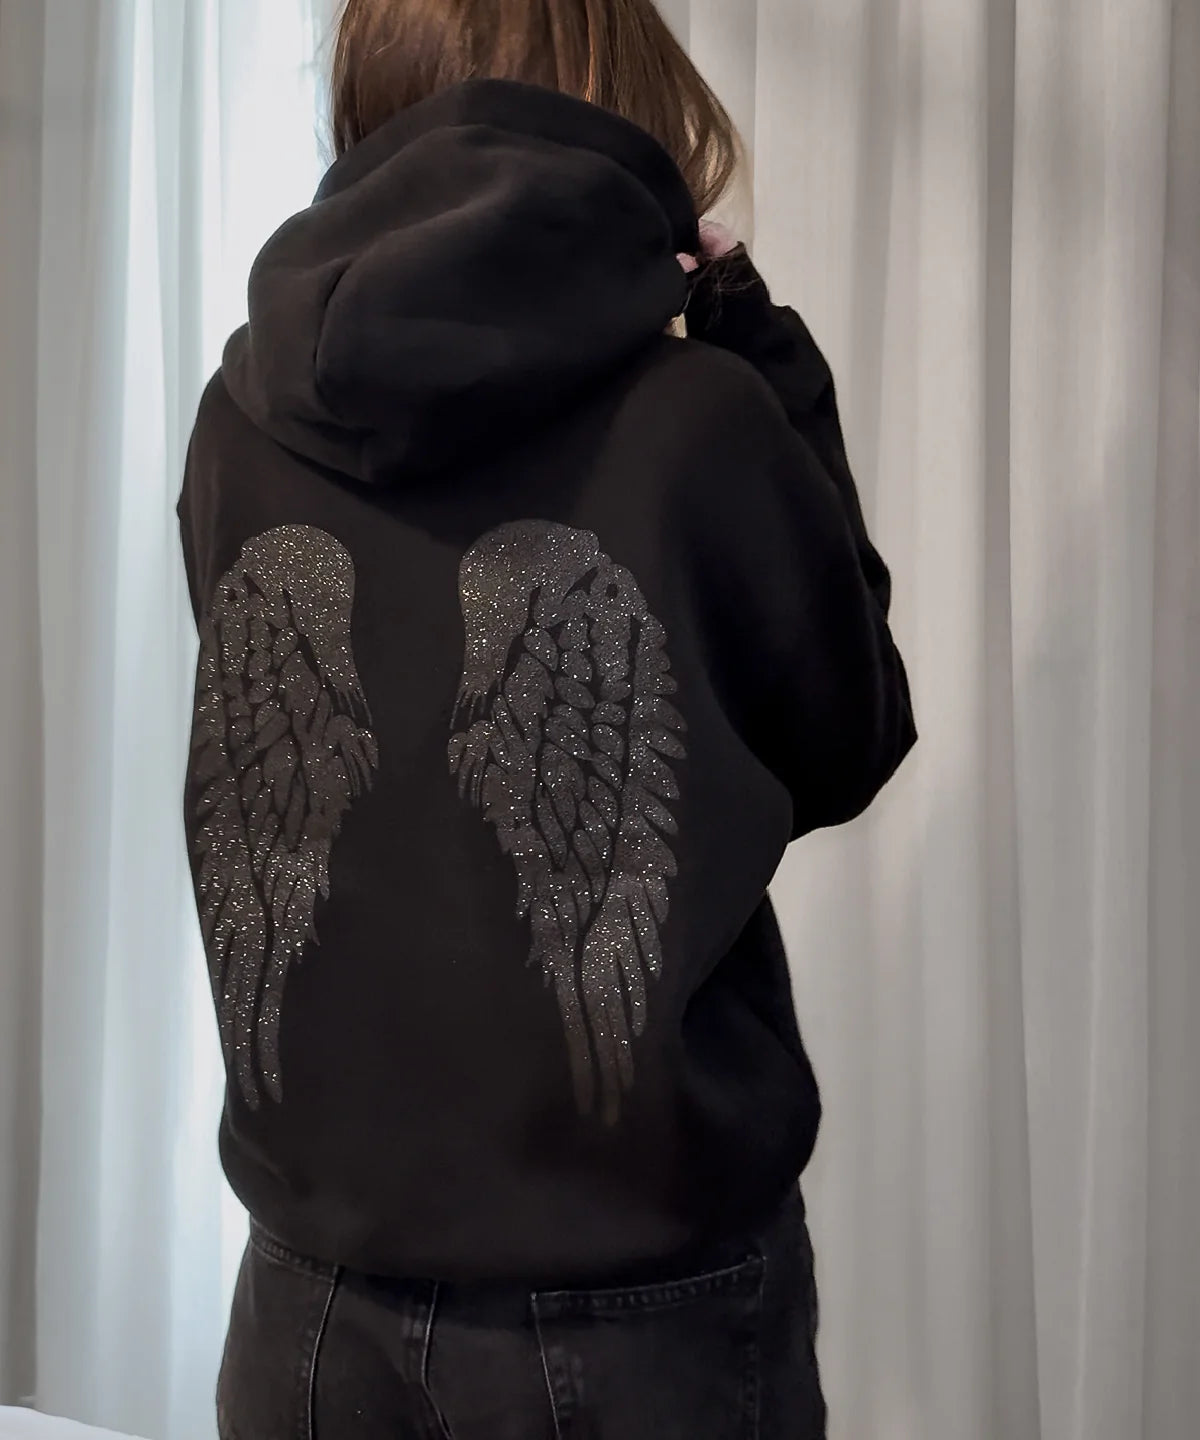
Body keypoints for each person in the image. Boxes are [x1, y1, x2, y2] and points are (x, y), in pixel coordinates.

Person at [176, 0, 916, 1435]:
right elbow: (849, 736)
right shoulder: (699, 416)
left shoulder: (237, 416)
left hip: (305, 1305)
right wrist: (762, 347)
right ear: (619, 102)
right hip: (631, 1315)